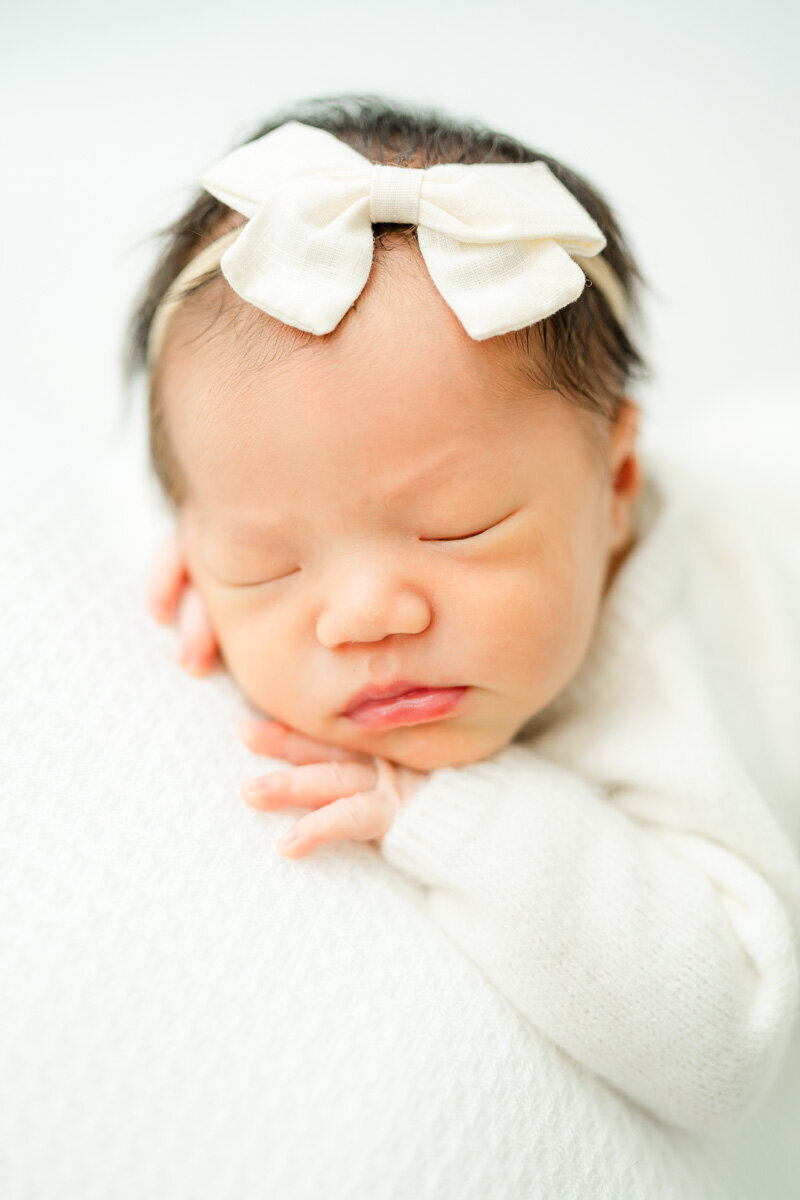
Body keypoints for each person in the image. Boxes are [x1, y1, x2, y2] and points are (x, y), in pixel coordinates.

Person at [125, 92, 800, 1138]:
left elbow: (738, 1040)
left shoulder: (666, 665)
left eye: (454, 528)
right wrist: (216, 563)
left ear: (616, 484)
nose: (359, 615)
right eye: (270, 556)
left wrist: (461, 817)